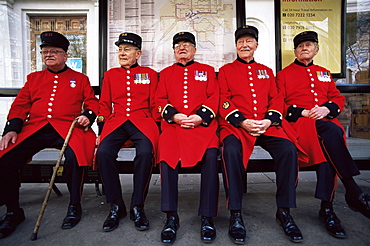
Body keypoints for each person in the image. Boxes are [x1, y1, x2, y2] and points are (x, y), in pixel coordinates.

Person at [0, 31, 98, 239]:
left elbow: (91, 103)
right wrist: (11, 129)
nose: (48, 54)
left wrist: (87, 116)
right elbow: (20, 105)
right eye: (45, 51)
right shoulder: (34, 78)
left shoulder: (79, 79)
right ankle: (13, 210)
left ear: (65, 56)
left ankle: (74, 205)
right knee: (6, 155)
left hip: (67, 127)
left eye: (54, 51)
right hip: (35, 128)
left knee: (75, 156)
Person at [276, 31, 370, 239]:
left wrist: (327, 109)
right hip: (300, 125)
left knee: (328, 153)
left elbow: (336, 98)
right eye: (300, 46)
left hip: (323, 125)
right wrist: (302, 112)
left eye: (308, 45)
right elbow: (279, 104)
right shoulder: (283, 74)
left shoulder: (324, 73)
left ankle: (327, 209)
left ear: (316, 50)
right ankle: (349, 192)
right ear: (295, 51)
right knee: (333, 132)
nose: (304, 48)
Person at [218, 26, 304, 244]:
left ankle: (284, 211)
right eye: (240, 42)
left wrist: (268, 120)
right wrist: (242, 121)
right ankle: (235, 212)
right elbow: (223, 100)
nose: (244, 45)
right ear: (236, 46)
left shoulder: (266, 71)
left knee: (288, 150)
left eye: (249, 41)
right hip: (237, 126)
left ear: (256, 45)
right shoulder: (226, 70)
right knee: (230, 150)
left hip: (266, 125)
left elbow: (276, 98)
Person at [156, 32, 219, 244]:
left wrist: (200, 117)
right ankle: (171, 216)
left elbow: (215, 97)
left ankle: (207, 216)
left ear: (194, 50)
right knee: (167, 157)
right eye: (178, 46)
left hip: (203, 129)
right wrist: (174, 115)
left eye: (187, 45)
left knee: (211, 157)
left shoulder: (207, 71)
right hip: (175, 127)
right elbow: (159, 99)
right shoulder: (165, 73)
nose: (182, 48)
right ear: (174, 51)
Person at [95, 32, 160, 232]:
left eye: (127, 49)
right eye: (120, 49)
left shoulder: (150, 74)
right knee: (104, 153)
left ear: (138, 53)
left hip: (143, 122)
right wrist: (101, 132)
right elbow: (104, 105)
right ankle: (116, 205)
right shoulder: (111, 75)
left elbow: (155, 104)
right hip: (117, 122)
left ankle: (137, 206)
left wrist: (157, 128)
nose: (122, 53)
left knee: (145, 153)